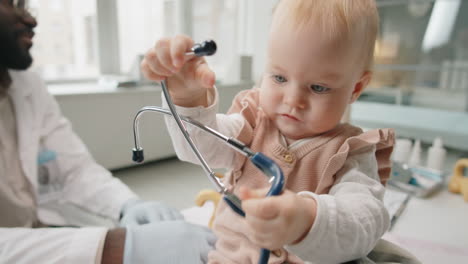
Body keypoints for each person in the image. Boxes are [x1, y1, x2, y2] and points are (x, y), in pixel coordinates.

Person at [141, 0, 396, 263]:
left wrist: (307, 220)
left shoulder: (351, 152)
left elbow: (365, 219)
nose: (293, 100)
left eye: (319, 87)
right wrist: (187, 98)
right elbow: (200, 148)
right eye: (279, 78)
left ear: (355, 88)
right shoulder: (253, 120)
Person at [0, 1, 215, 263]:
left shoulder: (26, 85)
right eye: (11, 4)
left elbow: (74, 171)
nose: (31, 21)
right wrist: (116, 246)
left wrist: (127, 205)